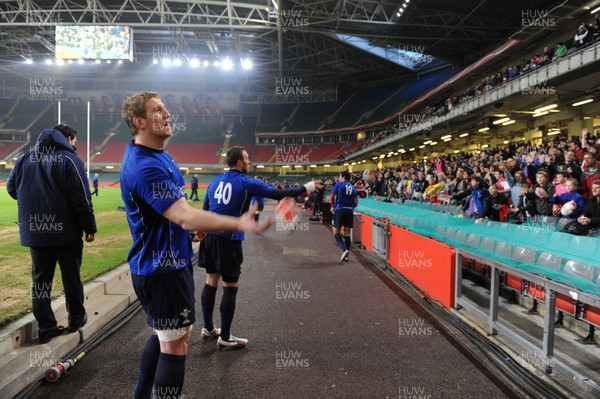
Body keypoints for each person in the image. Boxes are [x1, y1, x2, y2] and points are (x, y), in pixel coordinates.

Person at [120, 92, 270, 399]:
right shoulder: (146, 165)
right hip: (163, 269)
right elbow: (186, 217)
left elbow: (176, 215)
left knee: (166, 335)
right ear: (140, 122)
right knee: (177, 342)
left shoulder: (158, 155)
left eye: (165, 107)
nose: (167, 113)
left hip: (162, 263)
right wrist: (239, 223)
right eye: (157, 110)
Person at [198, 146, 321, 350]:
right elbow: (280, 193)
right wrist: (307, 187)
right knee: (230, 286)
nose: (249, 162)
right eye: (246, 159)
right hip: (229, 240)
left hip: (211, 237)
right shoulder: (247, 182)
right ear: (239, 162)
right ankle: (225, 337)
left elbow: (205, 210)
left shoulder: (214, 182)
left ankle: (208, 328)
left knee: (211, 280)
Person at [7, 124, 96, 343]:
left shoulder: (24, 160)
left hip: (36, 233)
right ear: (67, 138)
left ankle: (46, 328)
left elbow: (12, 189)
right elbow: (82, 200)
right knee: (71, 278)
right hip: (66, 233)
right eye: (73, 141)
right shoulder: (70, 160)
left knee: (41, 282)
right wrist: (90, 227)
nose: (74, 145)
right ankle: (76, 319)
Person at [330, 171, 358, 262]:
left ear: (343, 177)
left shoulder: (339, 185)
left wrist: (332, 206)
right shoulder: (354, 187)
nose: (339, 178)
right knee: (347, 233)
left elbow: (332, 197)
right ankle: (346, 255)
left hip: (340, 209)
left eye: (339, 176)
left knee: (335, 232)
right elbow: (356, 202)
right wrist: (351, 207)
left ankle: (344, 250)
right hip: (350, 210)